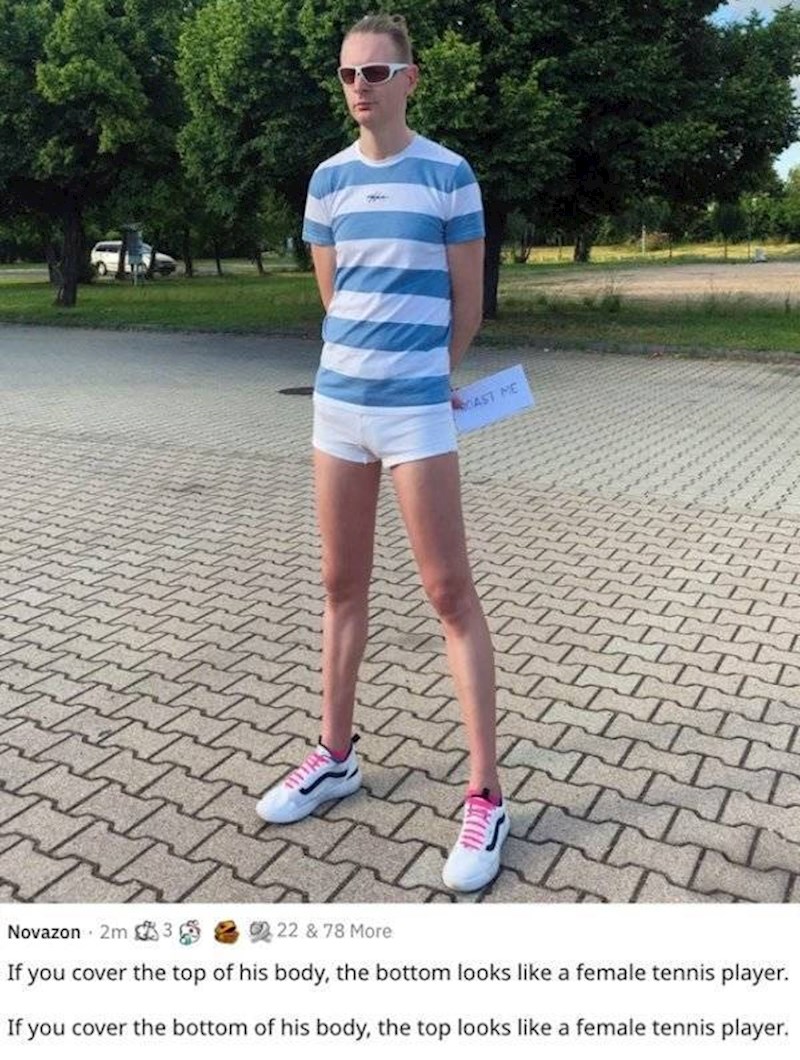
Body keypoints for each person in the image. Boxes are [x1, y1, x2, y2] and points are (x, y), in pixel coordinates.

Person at [257, 12, 509, 892]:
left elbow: (467, 305)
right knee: (340, 586)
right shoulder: (326, 180)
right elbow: (337, 300)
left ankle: (487, 794)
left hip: (416, 417)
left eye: (375, 72)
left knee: (449, 593)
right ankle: (336, 757)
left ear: (410, 79)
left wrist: (432, 377)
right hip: (338, 412)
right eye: (347, 74)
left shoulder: (449, 174)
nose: (359, 87)